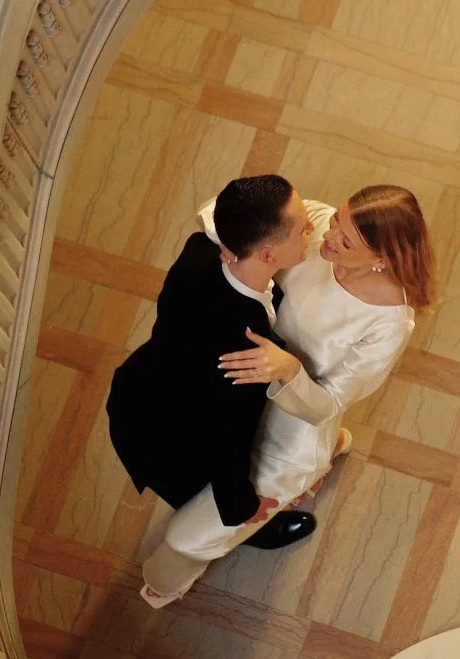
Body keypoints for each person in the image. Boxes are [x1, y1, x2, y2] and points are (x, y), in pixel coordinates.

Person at [139, 184, 436, 607]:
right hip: (234, 388)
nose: (326, 233)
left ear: (381, 260)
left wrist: (289, 370)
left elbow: (330, 402)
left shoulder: (388, 325)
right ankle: (330, 451)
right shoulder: (314, 225)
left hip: (294, 420)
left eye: (345, 239)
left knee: (185, 536)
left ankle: (161, 585)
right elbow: (226, 217)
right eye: (337, 219)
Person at [106, 173, 315, 558]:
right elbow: (227, 439)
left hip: (150, 379)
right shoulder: (242, 359)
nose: (312, 230)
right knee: (209, 494)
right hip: (162, 433)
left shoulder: (202, 248)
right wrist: (242, 504)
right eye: (303, 230)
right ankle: (254, 531)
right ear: (267, 255)